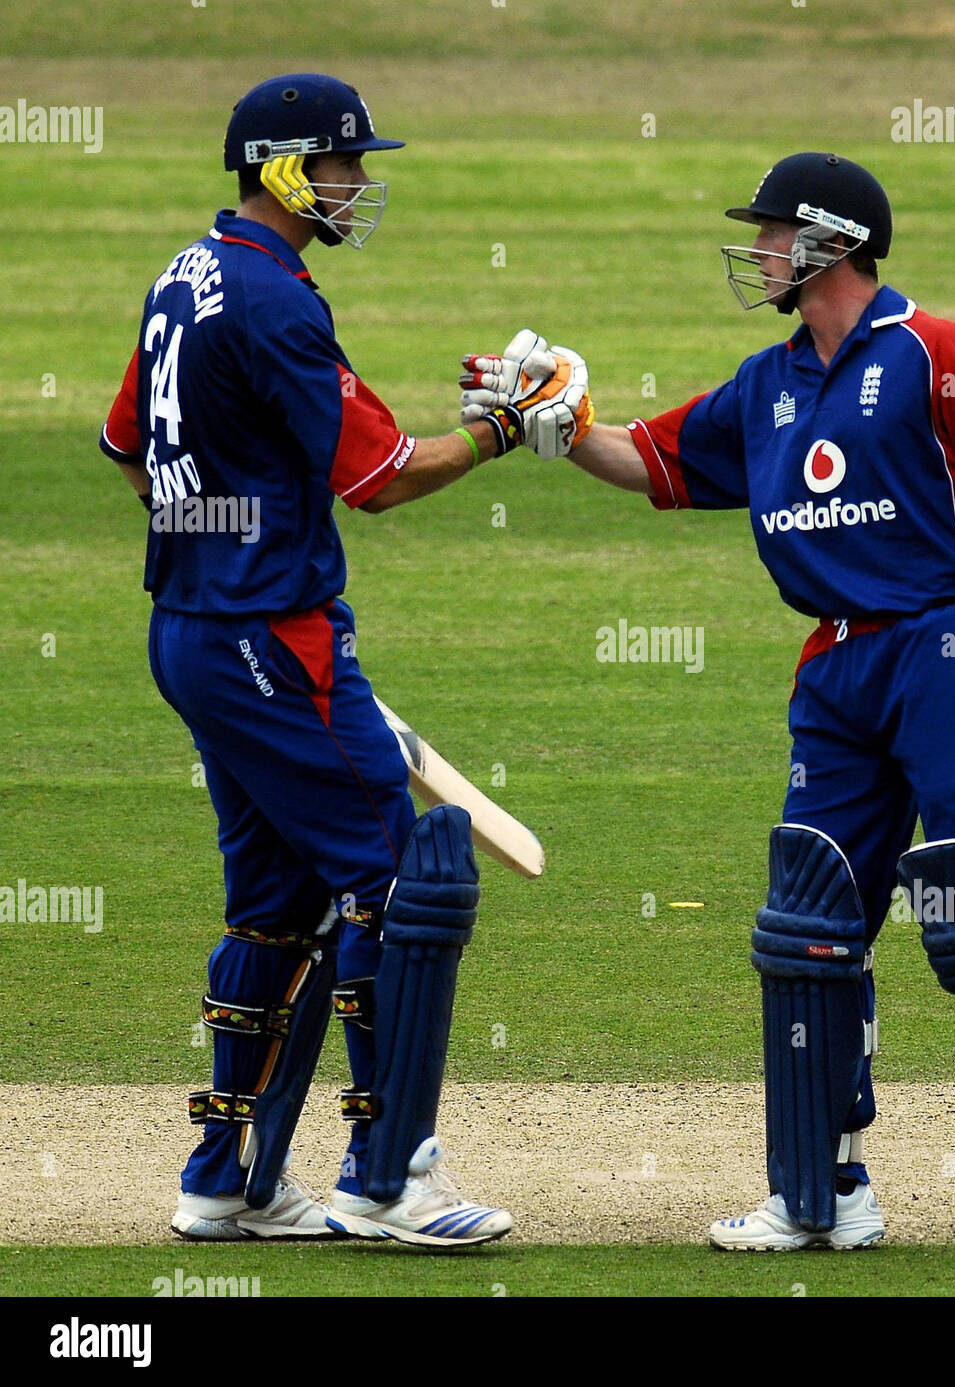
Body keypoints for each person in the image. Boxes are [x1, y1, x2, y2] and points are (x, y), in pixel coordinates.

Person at [460, 152, 955, 1257]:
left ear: (831, 241)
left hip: (942, 645)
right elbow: (651, 459)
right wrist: (556, 426)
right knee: (809, 921)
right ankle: (819, 1195)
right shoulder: (767, 382)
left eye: (774, 233)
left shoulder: (933, 351)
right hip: (830, 666)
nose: (759, 251)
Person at [99, 73, 588, 1247]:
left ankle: (229, 1177)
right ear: (280, 167)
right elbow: (380, 480)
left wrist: (220, 541)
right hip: (277, 641)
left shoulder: (183, 275)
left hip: (196, 634)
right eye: (341, 166)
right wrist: (507, 427)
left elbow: (128, 449)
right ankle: (390, 1175)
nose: (358, 185)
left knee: (277, 902)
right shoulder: (275, 301)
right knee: (394, 885)